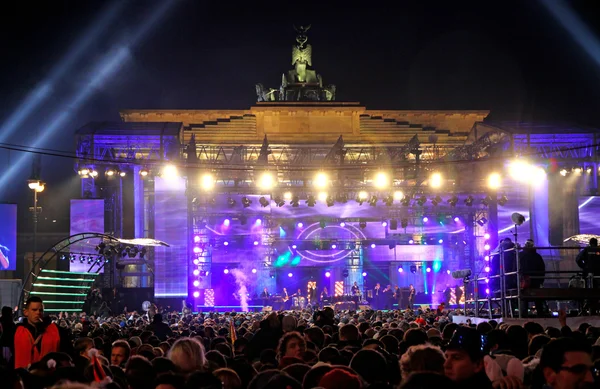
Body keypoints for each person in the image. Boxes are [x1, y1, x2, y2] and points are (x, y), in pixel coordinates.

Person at [14, 296, 60, 369]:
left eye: (40, 310)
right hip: (24, 376)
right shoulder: (16, 331)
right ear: (26, 312)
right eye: (34, 310)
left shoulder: (55, 330)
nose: (38, 313)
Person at [520, 239, 547, 317]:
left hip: (523, 280)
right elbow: (542, 269)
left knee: (524, 300)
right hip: (536, 281)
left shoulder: (520, 255)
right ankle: (540, 316)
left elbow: (516, 267)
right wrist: (541, 281)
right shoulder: (537, 256)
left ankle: (523, 317)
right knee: (538, 299)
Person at [576, 237, 600, 314]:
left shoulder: (586, 250)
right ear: (596, 243)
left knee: (589, 291)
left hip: (588, 274)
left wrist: (584, 267)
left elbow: (578, 259)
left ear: (590, 243)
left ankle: (590, 309)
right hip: (599, 274)